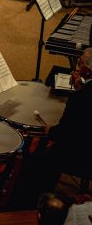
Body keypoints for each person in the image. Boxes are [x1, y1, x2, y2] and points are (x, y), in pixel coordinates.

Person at [9, 49, 92, 210]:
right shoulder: (86, 89)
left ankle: (23, 206)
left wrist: (51, 132)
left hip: (83, 154)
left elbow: (69, 131)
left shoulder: (84, 97)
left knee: (33, 163)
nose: (77, 65)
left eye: (80, 62)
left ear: (88, 70)